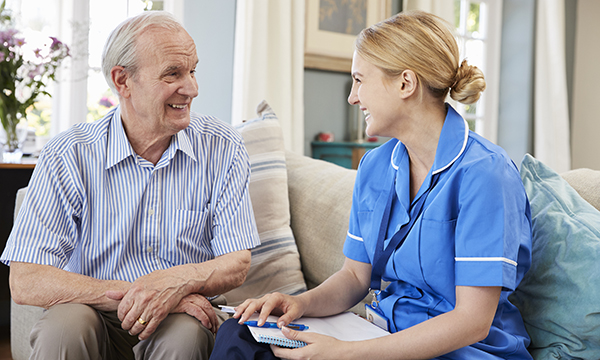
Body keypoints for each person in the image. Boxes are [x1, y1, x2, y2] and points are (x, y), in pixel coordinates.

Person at [209, 10, 532, 360]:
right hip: (382, 333)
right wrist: (297, 303)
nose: (352, 96)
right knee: (240, 334)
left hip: (461, 351)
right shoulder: (376, 166)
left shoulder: (485, 174)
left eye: (360, 80)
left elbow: (472, 322)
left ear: (405, 83)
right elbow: (354, 277)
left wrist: (346, 353)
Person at [0, 10, 261, 360]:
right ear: (123, 81)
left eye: (192, 70)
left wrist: (178, 285)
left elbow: (237, 262)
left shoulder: (223, 146)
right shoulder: (69, 154)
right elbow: (26, 279)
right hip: (94, 310)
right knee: (65, 327)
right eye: (173, 74)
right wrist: (149, 293)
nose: (193, 88)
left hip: (181, 318)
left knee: (185, 336)